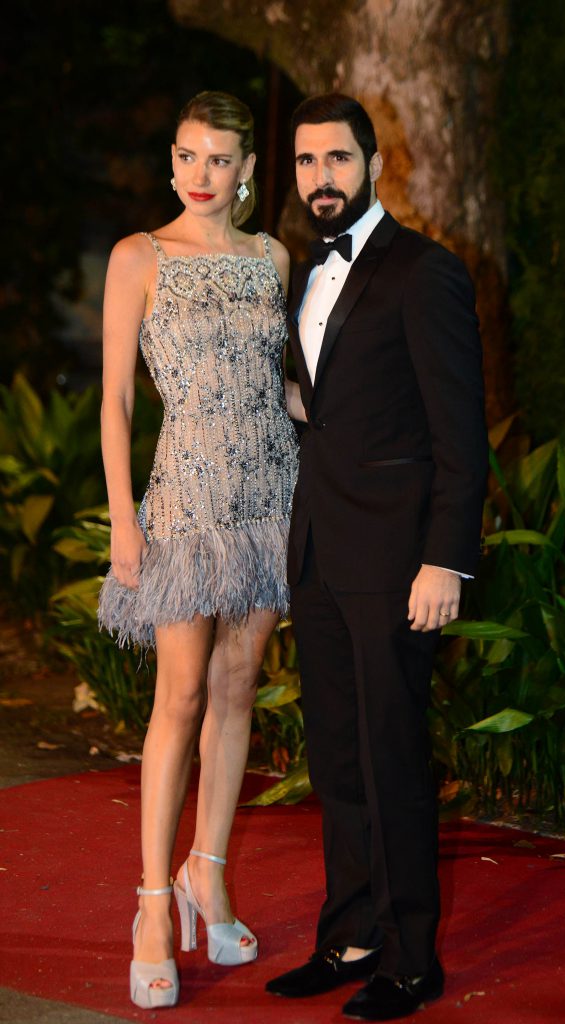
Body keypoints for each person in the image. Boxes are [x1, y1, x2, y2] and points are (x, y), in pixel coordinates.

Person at [265, 94, 488, 1021]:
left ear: (372, 163)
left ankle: (410, 958)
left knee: (391, 756)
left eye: (337, 159)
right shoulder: (304, 273)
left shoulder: (423, 271)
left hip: (397, 560)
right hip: (319, 552)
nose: (321, 177)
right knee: (337, 757)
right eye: (306, 161)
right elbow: (332, 403)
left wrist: (446, 561)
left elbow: (460, 434)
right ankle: (350, 934)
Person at [97, 90, 301, 1009]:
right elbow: (116, 400)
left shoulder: (272, 259)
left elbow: (279, 383)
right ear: (171, 160)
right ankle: (152, 904)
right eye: (187, 156)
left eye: (219, 159)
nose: (201, 175)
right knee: (178, 695)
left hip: (270, 495)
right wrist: (124, 520)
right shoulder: (138, 256)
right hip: (184, 498)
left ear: (247, 170)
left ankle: (206, 874)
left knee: (236, 685)